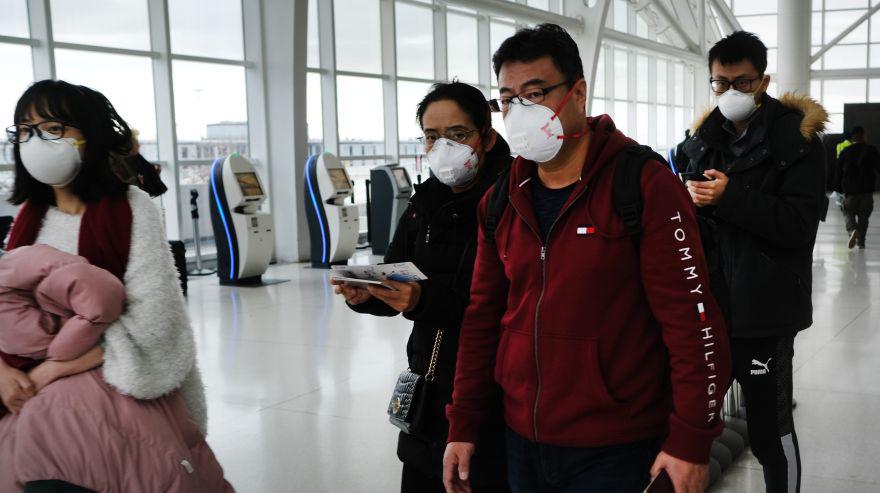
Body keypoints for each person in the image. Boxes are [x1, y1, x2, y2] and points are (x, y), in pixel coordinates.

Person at [443, 24, 731, 493]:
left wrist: (692, 440)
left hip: (618, 446)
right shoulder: (501, 201)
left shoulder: (641, 185)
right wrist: (463, 421)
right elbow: (482, 319)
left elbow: (692, 320)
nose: (520, 112)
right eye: (508, 100)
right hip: (523, 439)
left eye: (534, 94)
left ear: (578, 92)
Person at [0, 80, 232, 492]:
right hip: (32, 390)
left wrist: (51, 370)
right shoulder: (27, 218)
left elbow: (153, 321)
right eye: (24, 130)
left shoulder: (130, 209)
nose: (35, 141)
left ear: (89, 135)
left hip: (110, 386)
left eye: (53, 128)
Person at [332, 82, 511, 493]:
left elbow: (509, 301)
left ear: (486, 134)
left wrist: (424, 300)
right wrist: (369, 295)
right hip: (427, 381)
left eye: (458, 134)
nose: (443, 146)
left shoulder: (511, 196)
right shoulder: (423, 201)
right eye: (432, 136)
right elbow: (399, 275)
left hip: (490, 392)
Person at [682, 31, 828, 493]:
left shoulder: (796, 139)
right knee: (690, 420)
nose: (730, 93)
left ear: (763, 81)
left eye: (742, 83)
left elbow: (798, 225)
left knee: (768, 429)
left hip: (766, 308)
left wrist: (730, 198)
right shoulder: (703, 141)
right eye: (720, 83)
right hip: (710, 305)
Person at [838, 126, 880, 249]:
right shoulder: (871, 150)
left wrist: (839, 189)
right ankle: (861, 241)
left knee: (847, 212)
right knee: (864, 217)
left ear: (853, 137)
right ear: (863, 135)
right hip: (867, 191)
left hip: (850, 191)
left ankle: (852, 231)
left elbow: (838, 172)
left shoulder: (845, 151)